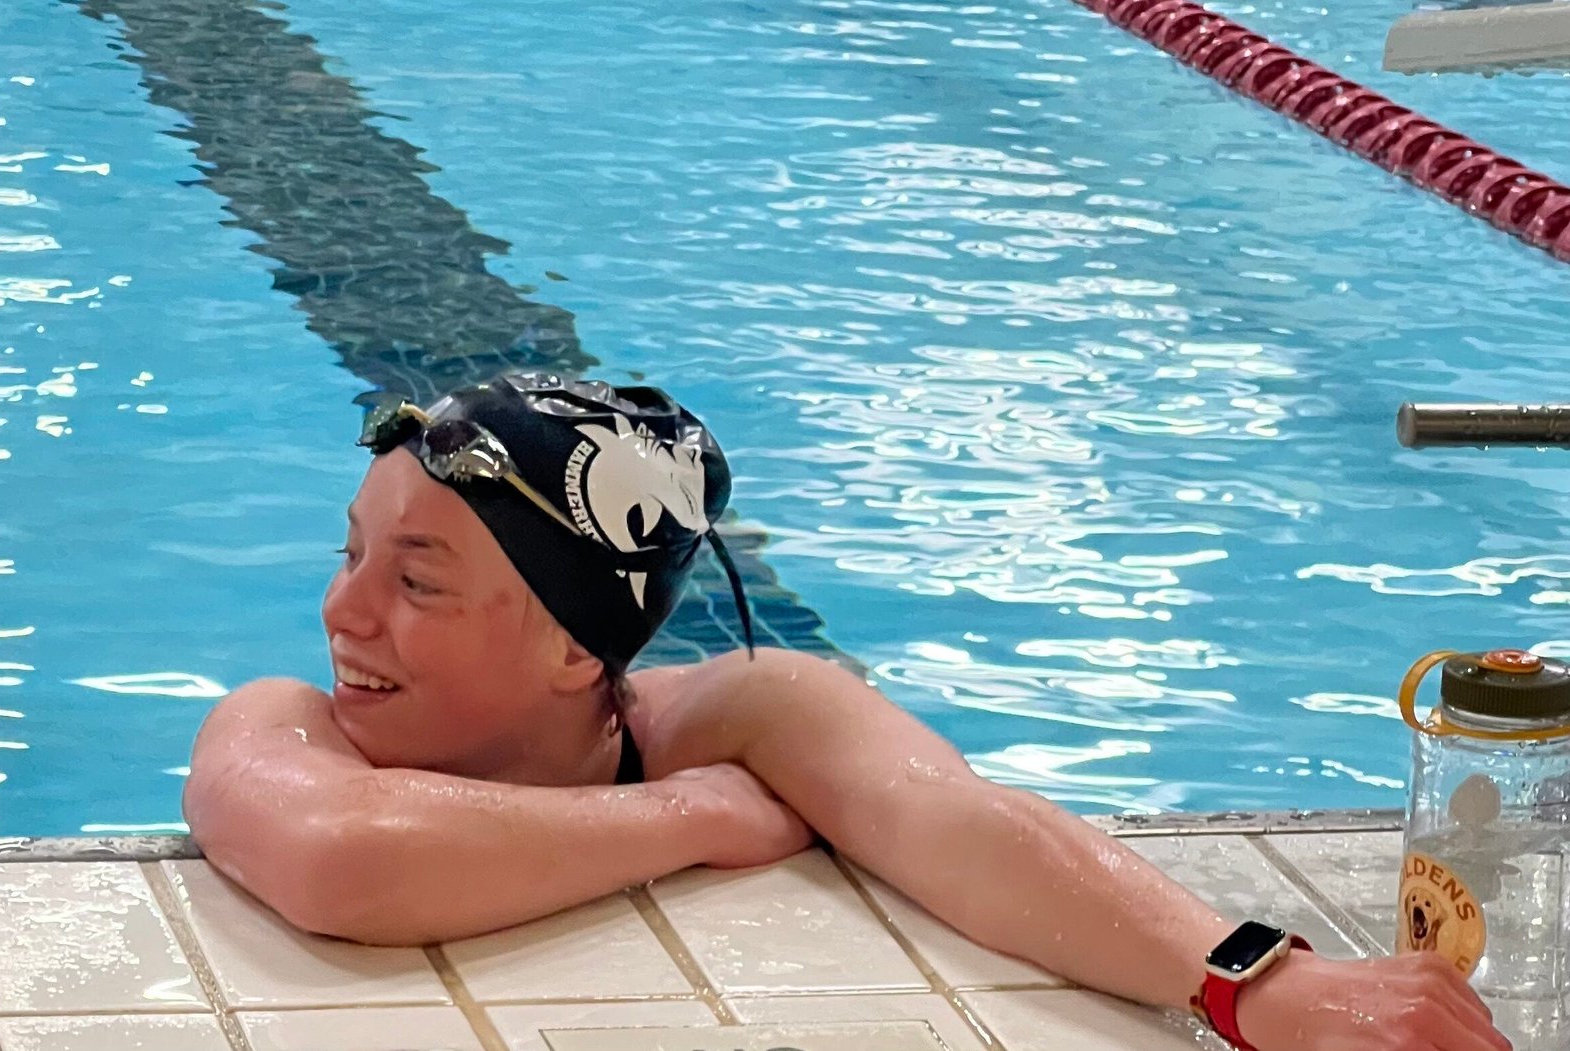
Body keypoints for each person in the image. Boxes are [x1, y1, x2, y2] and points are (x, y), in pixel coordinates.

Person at [185, 372, 1513, 1051]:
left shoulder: (747, 705)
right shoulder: (285, 724)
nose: (341, 618)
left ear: (576, 648)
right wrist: (695, 816)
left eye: (414, 580)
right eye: (348, 555)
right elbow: (345, 858)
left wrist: (1257, 984)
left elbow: (971, 830)